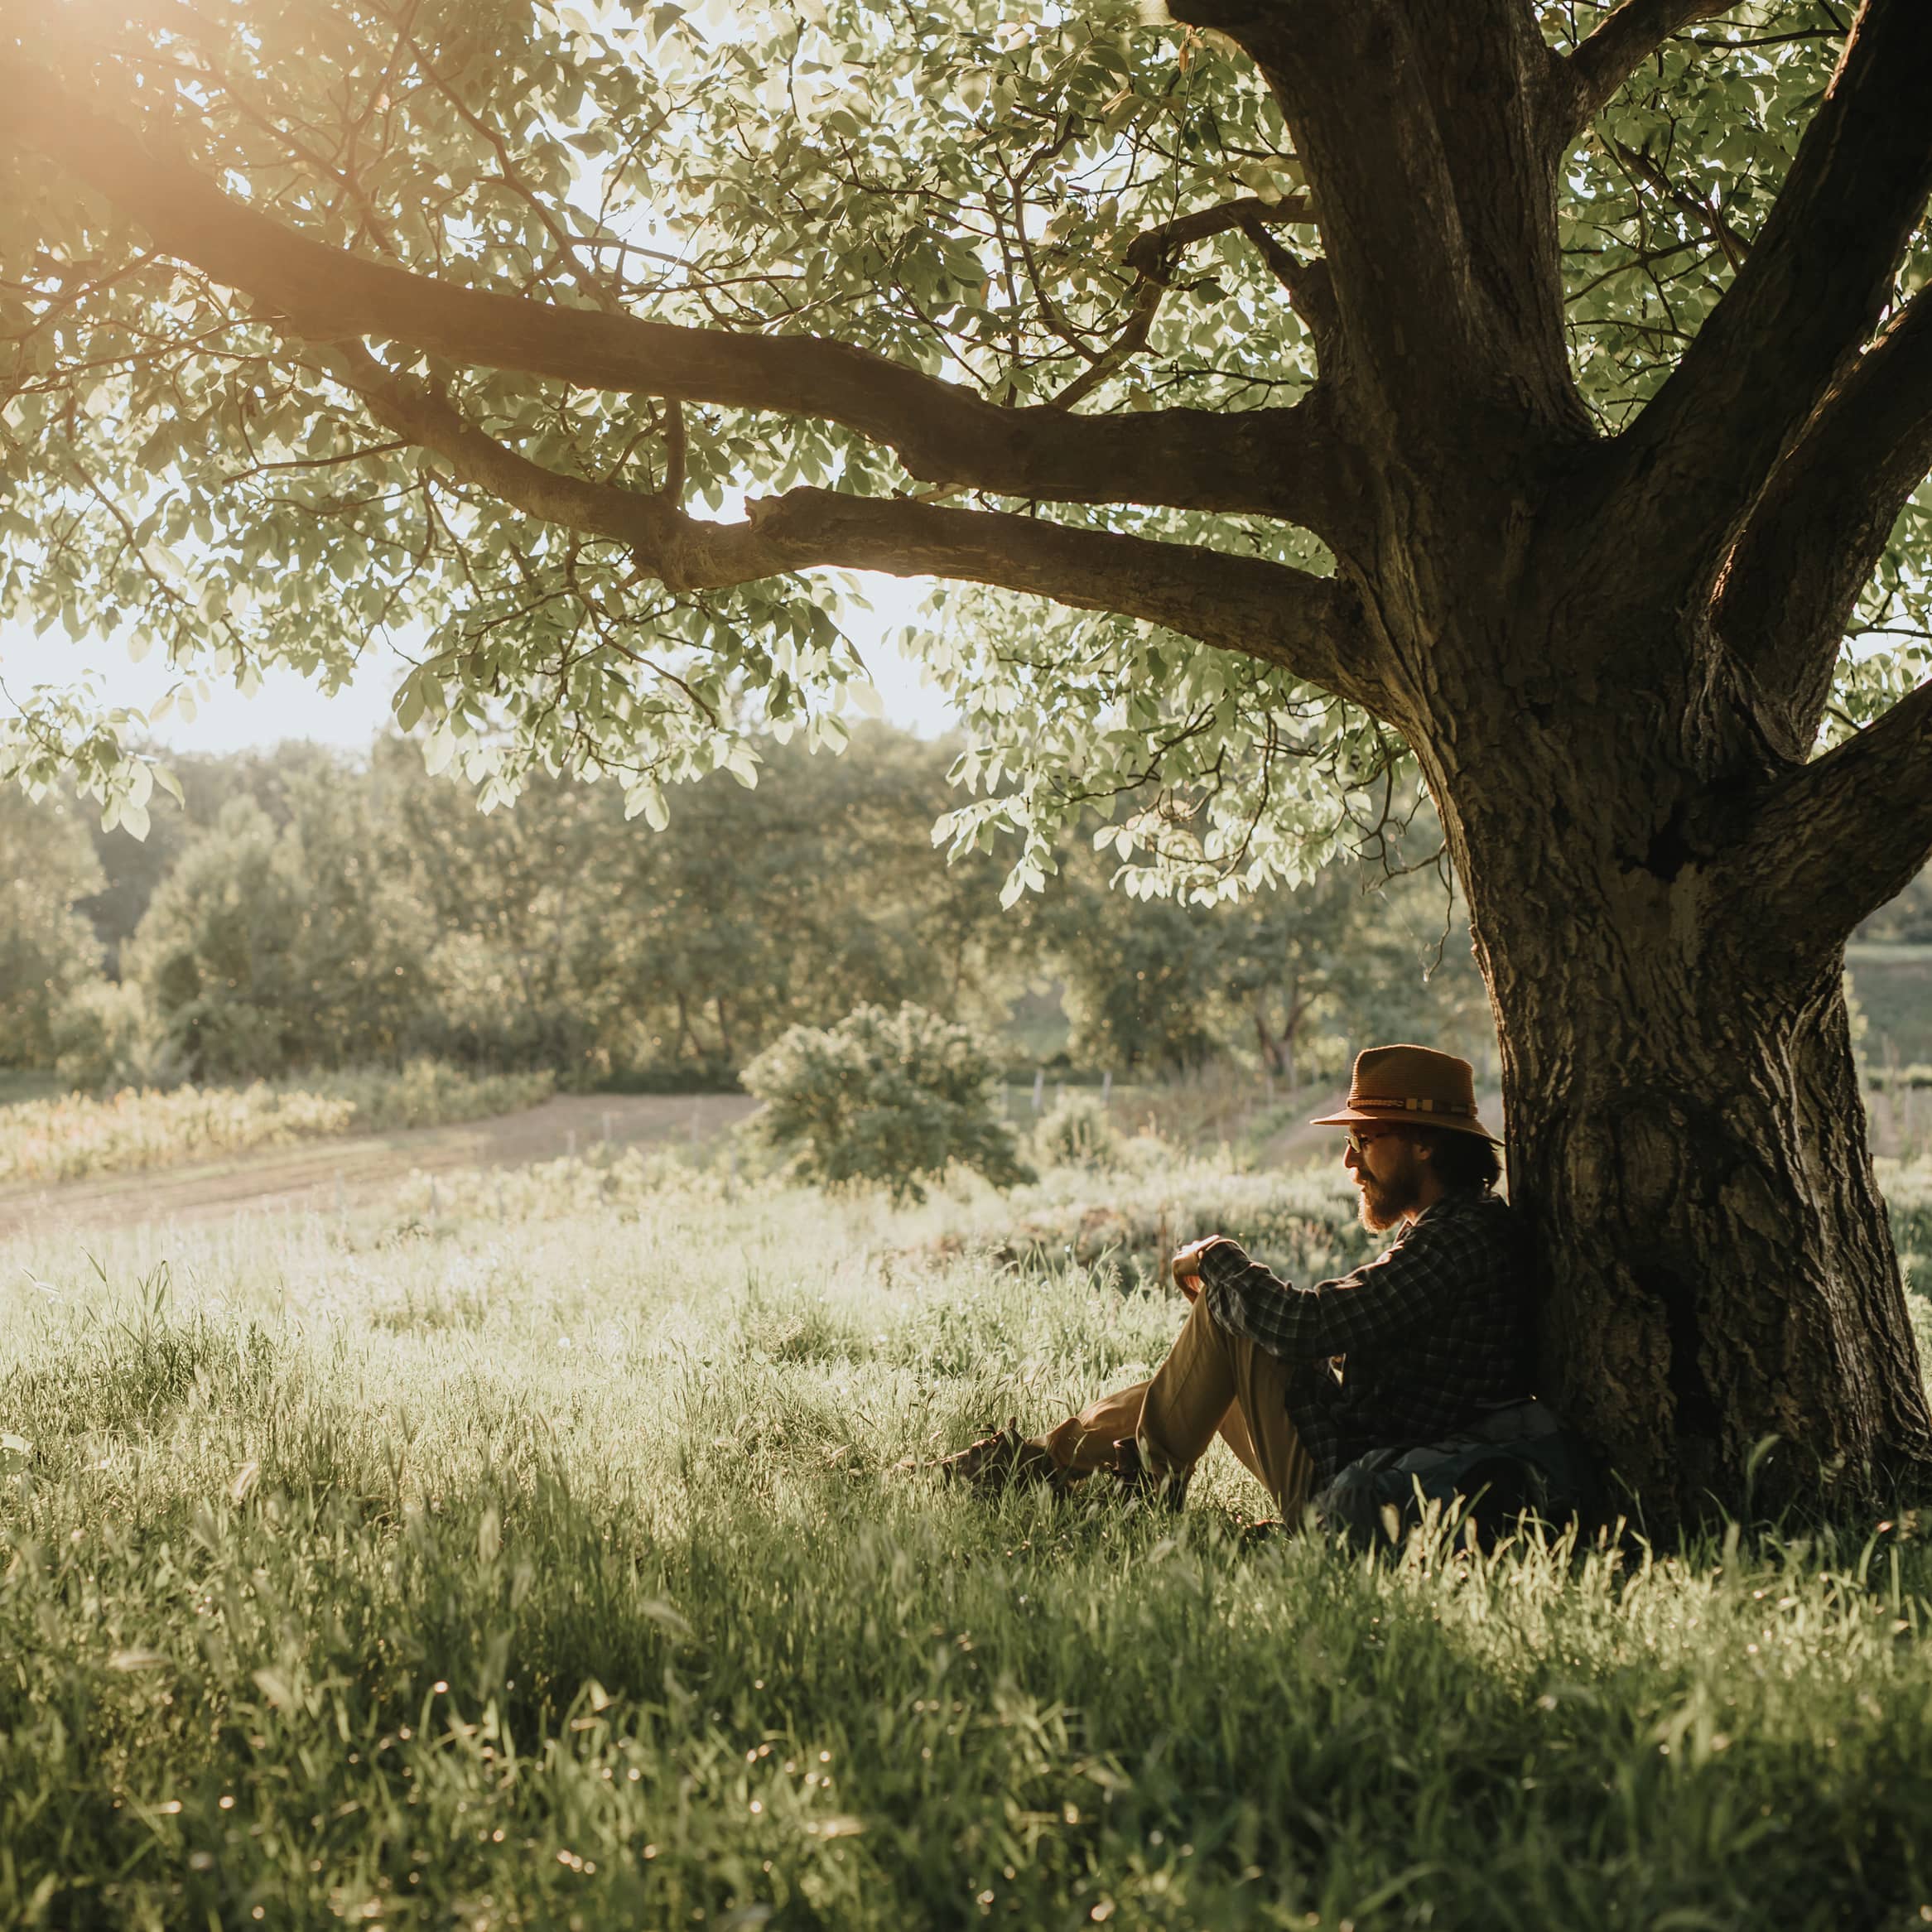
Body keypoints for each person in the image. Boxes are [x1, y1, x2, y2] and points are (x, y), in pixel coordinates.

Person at [935, 1043, 1539, 1528]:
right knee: (1233, 1325)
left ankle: (1105, 1477)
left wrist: (1216, 1256)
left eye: (1362, 1139)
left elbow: (1306, 1326)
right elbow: (1351, 1332)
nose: (1350, 1162)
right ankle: (1044, 1463)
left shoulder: (1460, 1239)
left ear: (1423, 1141)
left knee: (1236, 1315)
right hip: (1365, 1462)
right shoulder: (1455, 1231)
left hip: (1360, 1489)